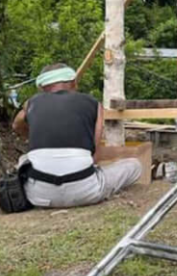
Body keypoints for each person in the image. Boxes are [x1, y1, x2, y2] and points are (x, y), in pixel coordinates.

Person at [12, 63, 142, 208]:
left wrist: (31, 133)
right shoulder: (93, 104)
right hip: (84, 193)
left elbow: (16, 125)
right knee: (135, 166)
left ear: (42, 88)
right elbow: (95, 157)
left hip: (38, 197)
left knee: (24, 159)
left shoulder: (31, 103)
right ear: (74, 83)